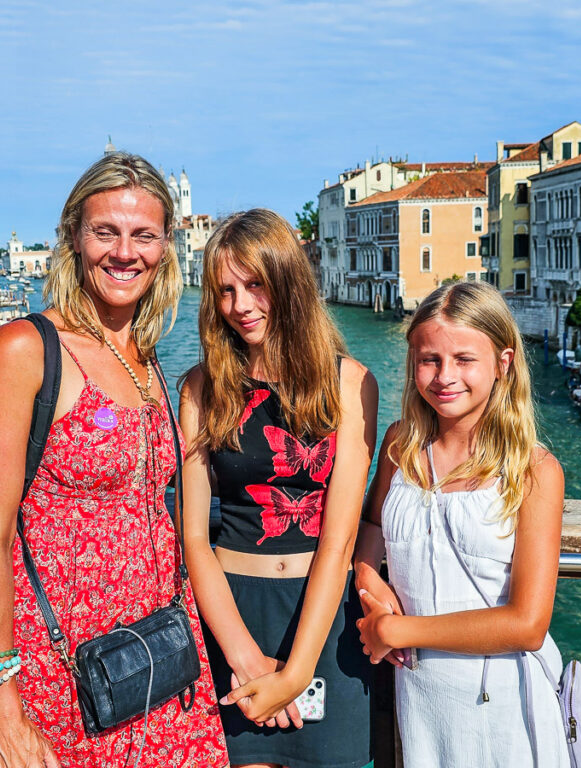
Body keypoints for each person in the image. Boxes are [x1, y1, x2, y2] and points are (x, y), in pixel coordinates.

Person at [0, 152, 228, 767]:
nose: (124, 252)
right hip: (59, 667)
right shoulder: (27, 348)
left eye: (144, 235)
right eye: (105, 231)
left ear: (167, 244)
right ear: (73, 239)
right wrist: (0, 701)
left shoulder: (147, 352)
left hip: (159, 659)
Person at [179, 209, 378, 768]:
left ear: (288, 281)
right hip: (232, 617)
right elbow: (194, 536)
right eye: (225, 290)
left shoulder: (352, 383)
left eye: (255, 284)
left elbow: (339, 543)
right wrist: (245, 658)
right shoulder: (200, 388)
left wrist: (295, 673)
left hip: (323, 621)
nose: (240, 305)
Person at [353, 281, 569, 767]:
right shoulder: (400, 445)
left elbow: (527, 625)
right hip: (422, 701)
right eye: (429, 359)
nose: (444, 377)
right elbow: (371, 526)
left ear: (504, 362)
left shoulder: (533, 470)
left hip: (504, 712)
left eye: (464, 359)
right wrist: (366, 575)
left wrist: (398, 630)